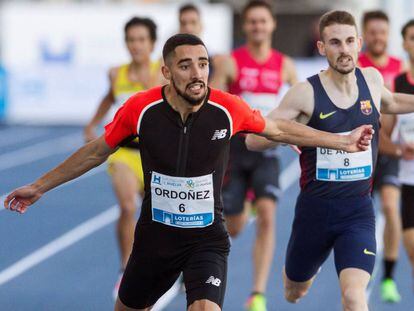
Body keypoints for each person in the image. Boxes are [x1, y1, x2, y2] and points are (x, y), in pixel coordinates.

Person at [4, 33, 373, 311]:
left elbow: (276, 129)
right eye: (185, 65)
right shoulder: (141, 109)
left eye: (203, 64)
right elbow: (97, 151)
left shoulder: (227, 108)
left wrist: (340, 141)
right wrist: (39, 186)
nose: (197, 74)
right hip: (154, 240)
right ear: (166, 71)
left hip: (206, 240)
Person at [245, 10, 414, 311]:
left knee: (353, 296)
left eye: (350, 41)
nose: (344, 49)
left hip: (358, 213)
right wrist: (303, 136)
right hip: (314, 213)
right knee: (294, 291)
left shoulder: (372, 80)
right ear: (322, 48)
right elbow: (254, 139)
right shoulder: (305, 93)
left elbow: (390, 101)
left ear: (359, 43)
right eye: (335, 43)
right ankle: (304, 271)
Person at [210, 2, 297, 309]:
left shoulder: (284, 65)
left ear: (272, 25)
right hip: (234, 152)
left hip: (267, 150)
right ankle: (242, 205)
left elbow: (301, 105)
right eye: (252, 22)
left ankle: (257, 293)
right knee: (234, 226)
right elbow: (214, 107)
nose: (258, 26)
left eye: (263, 21)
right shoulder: (230, 63)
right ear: (245, 26)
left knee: (268, 216)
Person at [83, 16, 162, 299]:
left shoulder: (163, 73)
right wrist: (92, 123)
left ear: (152, 43)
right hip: (125, 155)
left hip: (156, 158)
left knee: (157, 219)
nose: (136, 45)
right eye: (131, 40)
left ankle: (163, 268)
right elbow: (109, 96)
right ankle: (125, 268)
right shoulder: (116, 73)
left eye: (141, 40)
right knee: (128, 207)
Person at [358, 11, 403, 302]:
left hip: (389, 152)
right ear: (364, 34)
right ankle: (360, 265)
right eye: (372, 32)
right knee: (361, 214)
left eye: (382, 32)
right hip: (362, 149)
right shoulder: (358, 67)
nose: (378, 37)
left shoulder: (400, 68)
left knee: (389, 208)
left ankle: (387, 278)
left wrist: (395, 144)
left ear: (389, 35)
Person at [391, 19, 414, 289]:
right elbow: (384, 135)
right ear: (405, 44)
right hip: (409, 182)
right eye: (412, 37)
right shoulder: (396, 84)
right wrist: (399, 148)